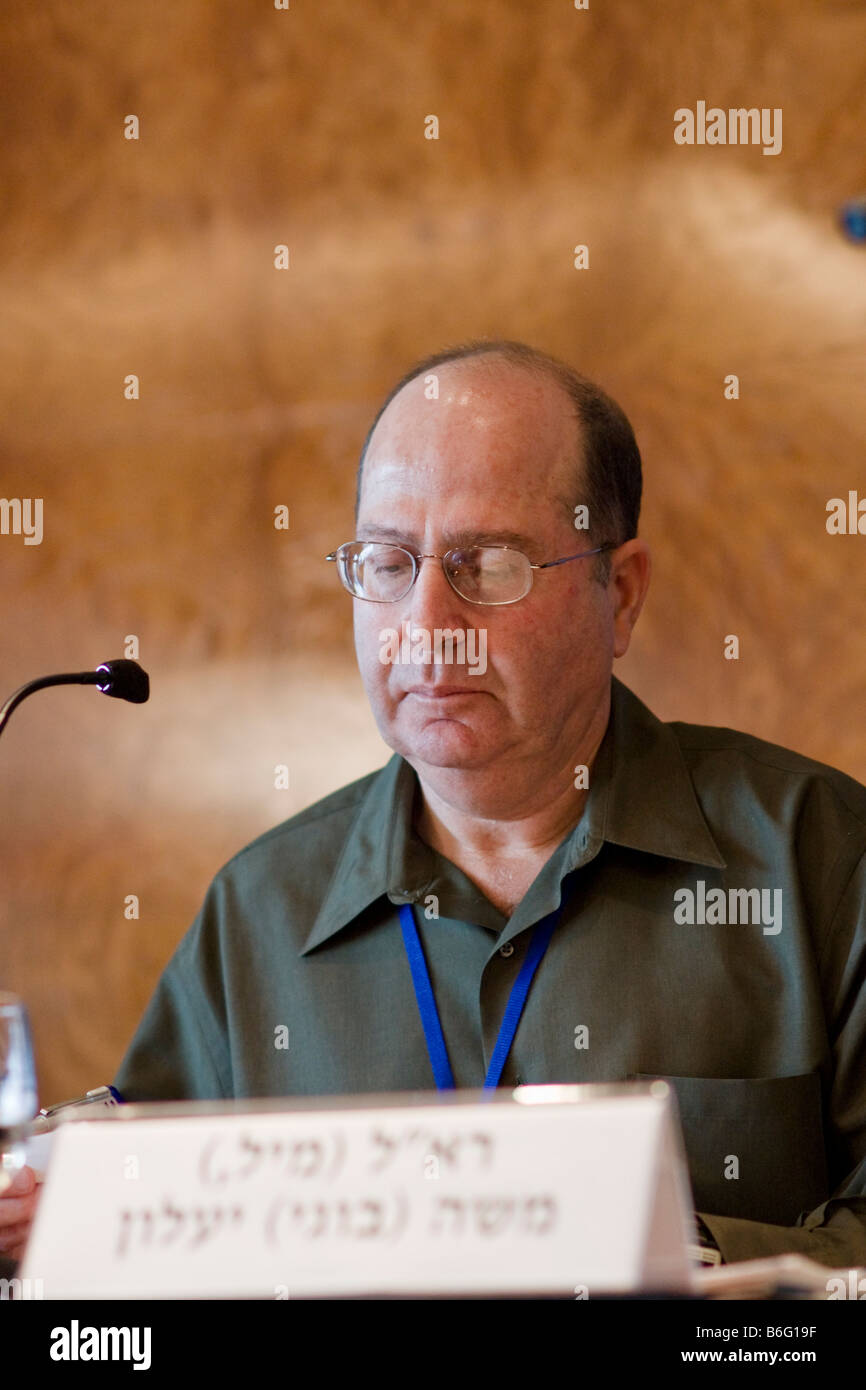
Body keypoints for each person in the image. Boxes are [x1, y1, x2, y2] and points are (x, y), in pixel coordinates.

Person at [3, 339, 865, 1273]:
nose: (426, 627)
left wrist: (654, 1252)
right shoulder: (260, 909)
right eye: (388, 563)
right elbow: (139, 1237)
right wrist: (46, 1219)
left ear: (619, 593)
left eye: (487, 563)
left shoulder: (821, 861)